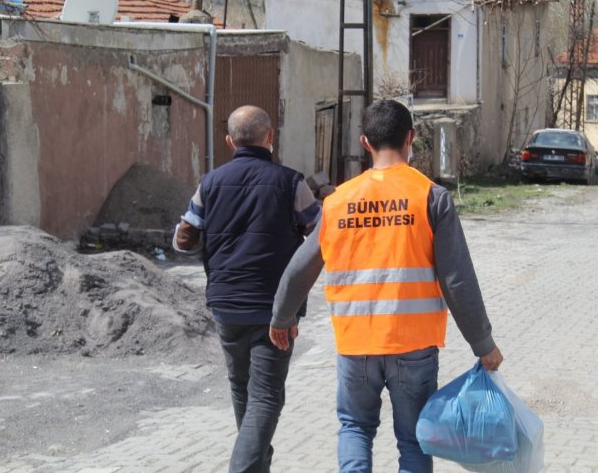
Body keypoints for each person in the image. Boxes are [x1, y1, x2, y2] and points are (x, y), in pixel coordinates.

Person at [269, 99, 503, 473]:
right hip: (413, 345)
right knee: (413, 440)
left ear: (365, 143)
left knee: (355, 428)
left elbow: (300, 267)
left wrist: (282, 317)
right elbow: (457, 280)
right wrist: (483, 344)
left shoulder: (338, 201)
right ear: (411, 138)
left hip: (356, 343)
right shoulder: (431, 197)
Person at [173, 105, 320, 473]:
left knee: (242, 389)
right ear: (270, 137)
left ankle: (255, 465)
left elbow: (183, 241)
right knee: (266, 397)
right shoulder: (290, 182)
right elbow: (321, 232)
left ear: (229, 141)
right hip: (275, 310)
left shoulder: (210, 183)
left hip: (226, 307)